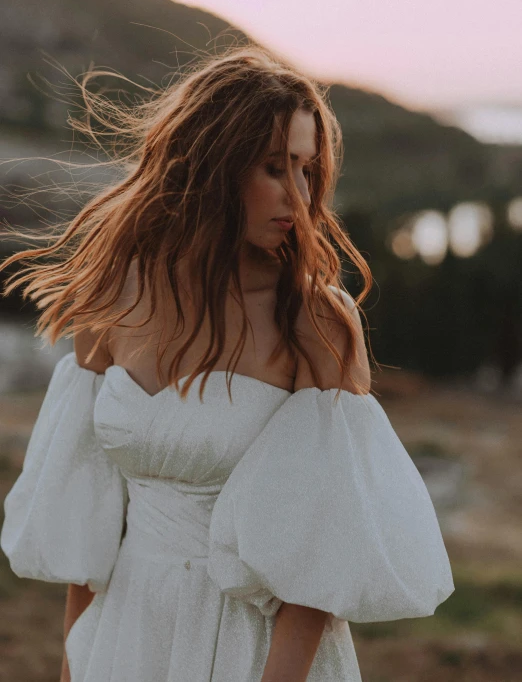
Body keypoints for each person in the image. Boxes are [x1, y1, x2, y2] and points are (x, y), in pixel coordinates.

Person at [0, 44, 454, 682]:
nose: (298, 197)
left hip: (251, 646)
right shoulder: (115, 296)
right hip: (125, 635)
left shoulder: (313, 319)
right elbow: (91, 525)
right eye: (274, 168)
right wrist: (79, 660)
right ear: (212, 164)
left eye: (306, 169)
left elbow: (319, 553)